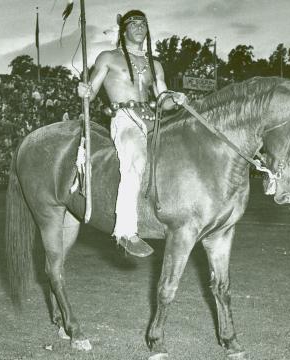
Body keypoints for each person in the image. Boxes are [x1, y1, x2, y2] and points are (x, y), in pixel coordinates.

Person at [78, 9, 186, 257]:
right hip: (125, 118)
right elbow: (91, 92)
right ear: (123, 29)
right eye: (133, 23)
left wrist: (176, 99)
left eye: (143, 23)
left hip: (153, 118)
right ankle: (125, 230)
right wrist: (83, 90)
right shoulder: (107, 57)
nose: (139, 26)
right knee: (135, 160)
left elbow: (163, 100)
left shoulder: (154, 64)